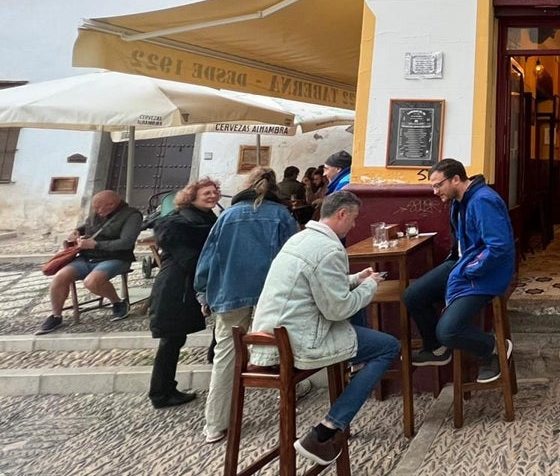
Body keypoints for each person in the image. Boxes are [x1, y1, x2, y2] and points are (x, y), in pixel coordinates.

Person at [250, 190, 396, 467]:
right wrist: (370, 287)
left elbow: (322, 286)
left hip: (270, 338)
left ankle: (358, 366)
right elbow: (338, 309)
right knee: (388, 347)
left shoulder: (302, 239)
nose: (354, 225)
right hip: (299, 341)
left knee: (361, 312)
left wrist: (357, 279)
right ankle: (325, 430)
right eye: (353, 219)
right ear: (342, 214)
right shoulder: (330, 249)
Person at [194, 166, 298, 445]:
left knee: (226, 355)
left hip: (231, 291)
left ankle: (216, 423)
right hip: (270, 292)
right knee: (281, 342)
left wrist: (203, 292)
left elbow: (209, 257)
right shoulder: (281, 216)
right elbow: (292, 256)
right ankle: (291, 389)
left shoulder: (227, 216)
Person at [403, 159, 515, 383]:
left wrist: (469, 271)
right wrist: (458, 265)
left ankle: (493, 348)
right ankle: (436, 349)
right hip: (464, 264)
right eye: (433, 186)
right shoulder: (458, 201)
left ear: (456, 179)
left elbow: (499, 247)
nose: (435, 191)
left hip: (486, 273)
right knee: (413, 295)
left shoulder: (483, 201)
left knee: (449, 331)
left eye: (438, 185)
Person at [147, 178, 219, 408]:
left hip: (189, 283)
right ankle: (161, 393)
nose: (212, 196)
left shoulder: (205, 218)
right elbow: (190, 258)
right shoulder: (179, 223)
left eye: (215, 192)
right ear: (192, 196)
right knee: (171, 340)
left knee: (176, 338)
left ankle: (213, 354)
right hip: (176, 285)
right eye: (206, 193)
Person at [36, 190, 143, 335]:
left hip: (116, 257)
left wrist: (96, 245)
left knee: (92, 281)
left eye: (99, 208)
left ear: (111, 204)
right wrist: (76, 232)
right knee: (60, 278)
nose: (97, 211)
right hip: (87, 257)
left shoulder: (132, 215)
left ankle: (118, 302)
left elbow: (126, 242)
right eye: (95, 208)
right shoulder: (96, 213)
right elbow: (87, 226)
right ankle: (56, 316)